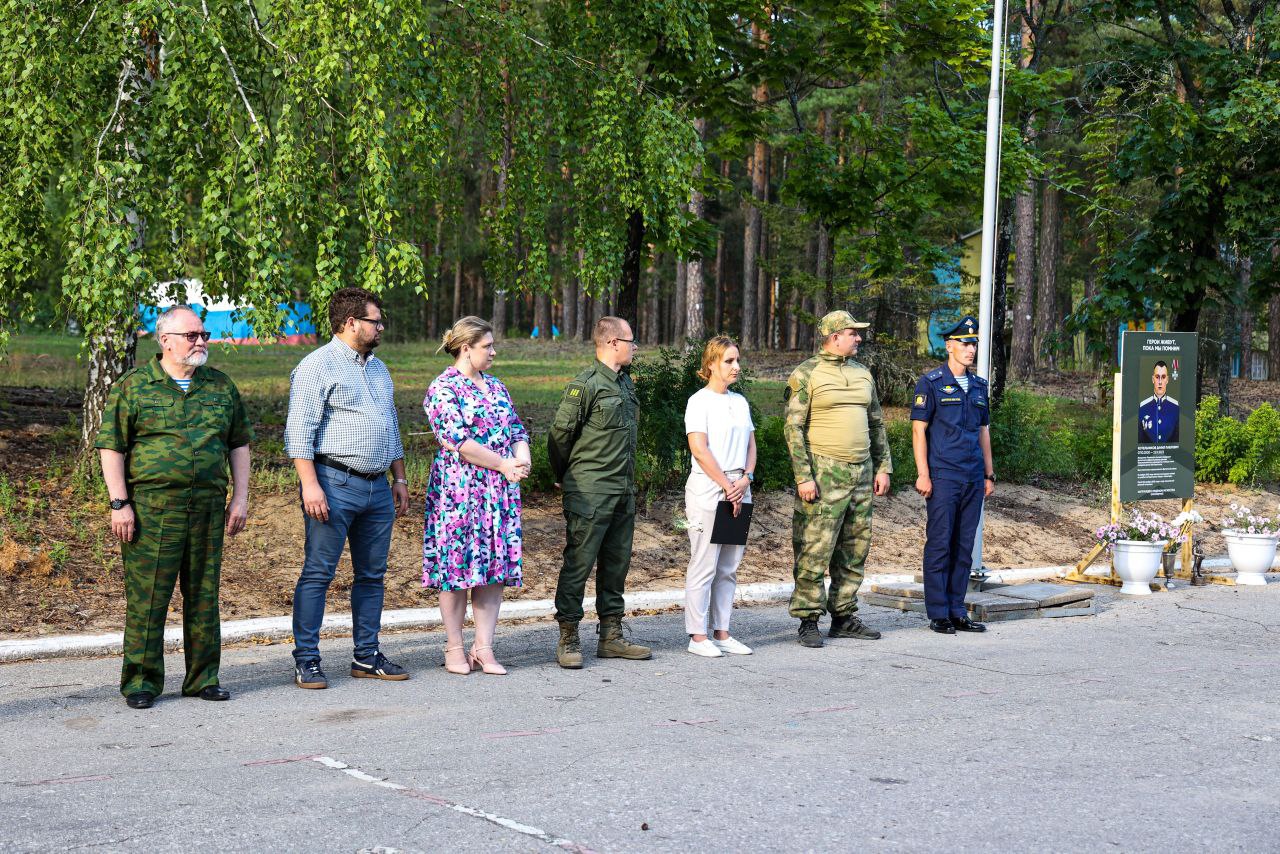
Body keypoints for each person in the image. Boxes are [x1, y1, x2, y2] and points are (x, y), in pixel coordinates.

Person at [95, 306, 253, 709]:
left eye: (203, 334)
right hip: (152, 509)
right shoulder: (134, 386)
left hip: (207, 508)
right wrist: (119, 503)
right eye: (191, 335)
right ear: (165, 340)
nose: (201, 342)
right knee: (149, 596)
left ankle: (203, 678)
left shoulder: (220, 386)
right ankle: (141, 682)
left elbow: (239, 443)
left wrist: (240, 497)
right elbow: (112, 446)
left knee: (204, 594)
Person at [284, 287, 411, 689]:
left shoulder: (379, 368)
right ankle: (307, 659)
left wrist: (400, 477)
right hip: (333, 484)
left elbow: (391, 426)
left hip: (378, 489)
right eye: (375, 320)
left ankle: (366, 655)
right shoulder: (316, 366)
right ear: (351, 323)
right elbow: (299, 432)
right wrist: (310, 486)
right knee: (318, 573)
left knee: (372, 575)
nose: (381, 326)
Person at [422, 317, 531, 676]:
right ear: (466, 348)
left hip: (497, 492)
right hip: (459, 490)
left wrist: (522, 458)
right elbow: (458, 441)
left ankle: (483, 646)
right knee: (455, 567)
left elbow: (515, 426)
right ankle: (454, 646)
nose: (494, 352)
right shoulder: (443, 388)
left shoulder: (496, 386)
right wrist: (503, 464)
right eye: (488, 346)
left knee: (492, 568)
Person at [547, 316, 651, 668]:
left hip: (622, 489)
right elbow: (560, 436)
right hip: (590, 491)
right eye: (630, 340)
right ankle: (568, 635)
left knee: (616, 564)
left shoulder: (625, 383)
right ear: (612, 343)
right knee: (579, 563)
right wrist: (565, 476)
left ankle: (611, 635)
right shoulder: (585, 385)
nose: (634, 346)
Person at [783, 310, 892, 648]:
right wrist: (804, 476)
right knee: (815, 547)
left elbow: (876, 423)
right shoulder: (807, 373)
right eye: (852, 333)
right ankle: (808, 619)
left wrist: (883, 466)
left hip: (861, 472)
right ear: (833, 336)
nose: (858, 338)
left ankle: (843, 615)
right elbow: (793, 429)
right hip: (823, 471)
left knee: (855, 546)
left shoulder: (863, 374)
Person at [910, 315, 995, 635]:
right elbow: (919, 431)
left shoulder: (979, 387)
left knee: (964, 546)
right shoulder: (930, 383)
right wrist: (923, 474)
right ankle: (939, 612)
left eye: (974, 343)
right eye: (965, 343)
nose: (971, 349)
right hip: (944, 475)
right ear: (949, 346)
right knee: (941, 543)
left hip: (973, 475)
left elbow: (983, 431)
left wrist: (989, 473)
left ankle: (958, 609)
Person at [683, 336, 757, 657]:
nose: (736, 366)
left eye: (737, 360)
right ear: (711, 364)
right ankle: (697, 636)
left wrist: (745, 479)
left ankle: (723, 632)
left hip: (740, 486)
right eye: (729, 361)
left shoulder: (740, 402)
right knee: (705, 564)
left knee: (729, 565)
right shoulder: (698, 402)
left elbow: (751, 445)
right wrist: (727, 487)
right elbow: (699, 448)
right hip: (710, 489)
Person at [1139, 360, 1179, 444]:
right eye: (1157, 377)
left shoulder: (1176, 408)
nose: (1160, 382)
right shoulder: (1142, 407)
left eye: (1163, 377)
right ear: (1153, 379)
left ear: (1167, 380)